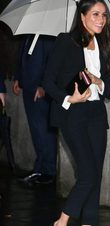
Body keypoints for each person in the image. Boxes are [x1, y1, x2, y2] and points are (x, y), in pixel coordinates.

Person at [42, 0, 110, 226]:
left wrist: (99, 81)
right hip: (73, 113)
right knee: (87, 175)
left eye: (104, 15)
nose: (100, 19)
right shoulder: (66, 41)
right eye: (95, 14)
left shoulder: (103, 44)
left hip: (96, 114)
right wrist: (69, 98)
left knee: (95, 175)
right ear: (82, 16)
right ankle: (61, 224)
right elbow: (48, 81)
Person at [13, 34, 57, 185]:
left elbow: (52, 64)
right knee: (36, 131)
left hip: (40, 91)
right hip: (28, 88)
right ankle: (40, 168)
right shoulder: (29, 35)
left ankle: (48, 171)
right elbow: (23, 57)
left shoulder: (48, 37)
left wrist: (44, 87)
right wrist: (19, 78)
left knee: (44, 131)